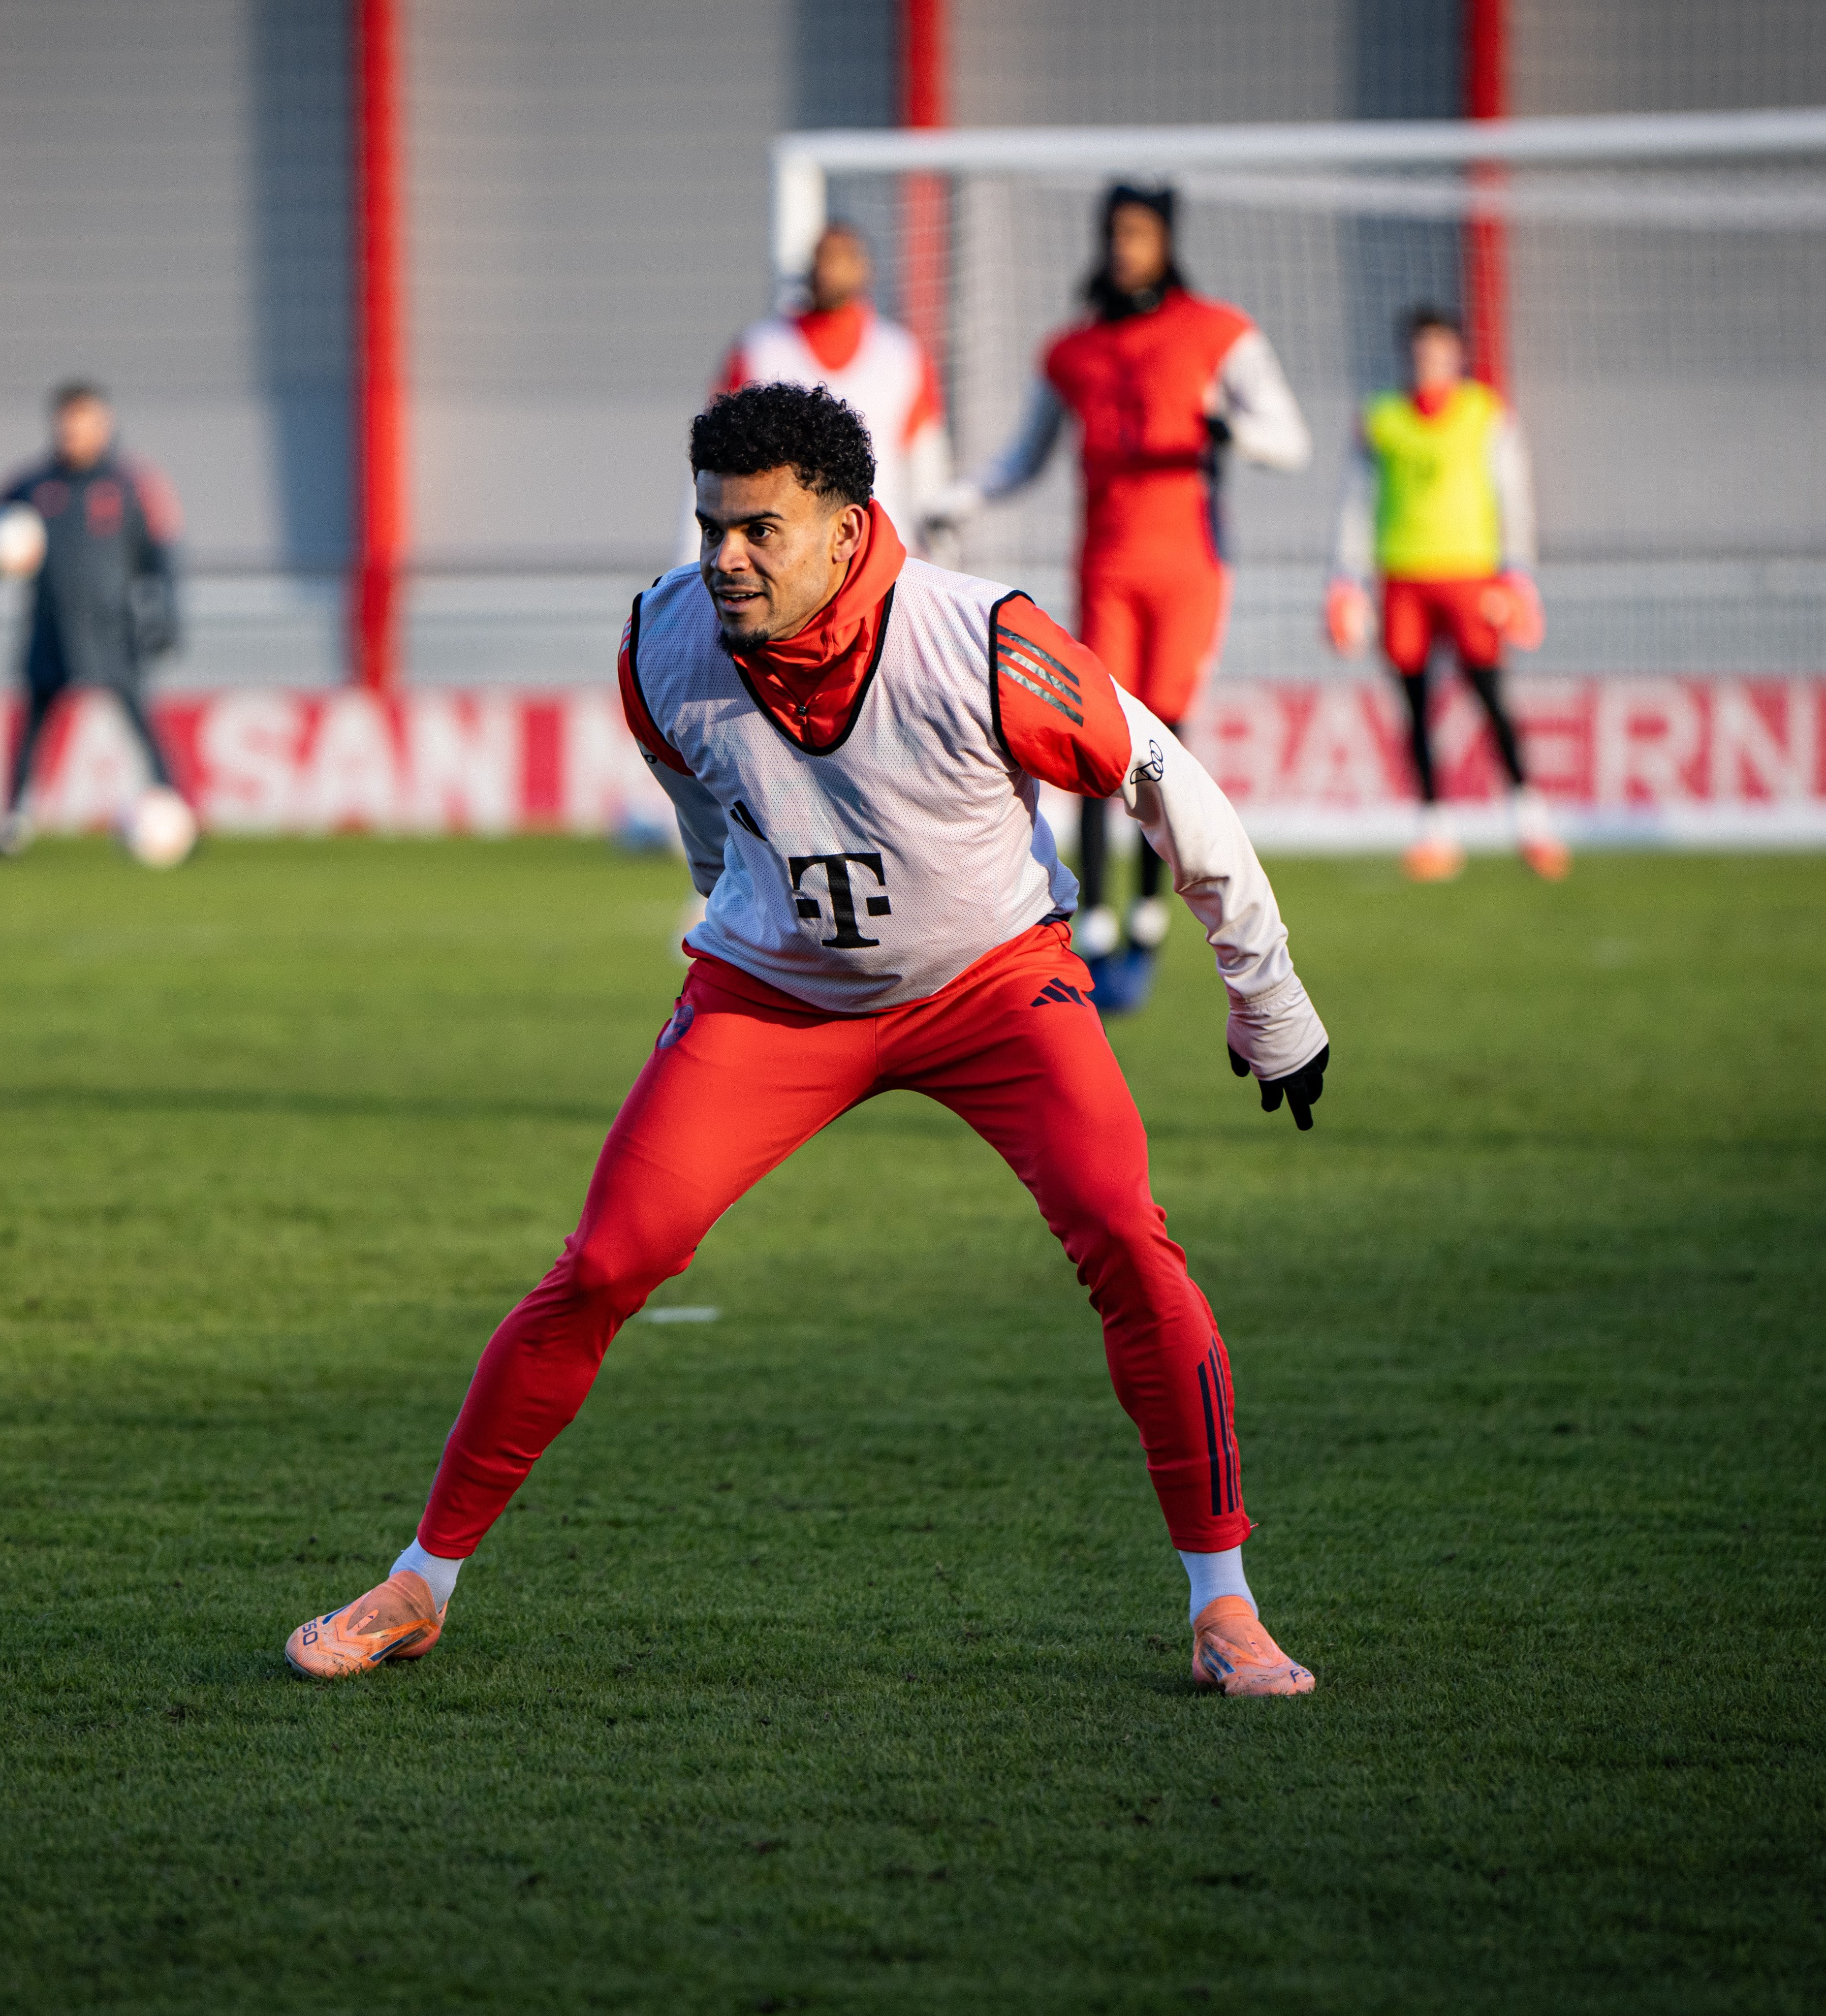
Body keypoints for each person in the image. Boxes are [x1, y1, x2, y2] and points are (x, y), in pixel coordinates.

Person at [286, 384, 1330, 1698]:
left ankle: (1224, 1605)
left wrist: (1268, 998)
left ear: (846, 531)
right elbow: (698, 799)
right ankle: (420, 1583)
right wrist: (737, 901)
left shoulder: (982, 637)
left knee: (1125, 1233)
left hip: (994, 987)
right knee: (607, 1262)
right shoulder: (662, 636)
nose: (725, 558)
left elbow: (1165, 778)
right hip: (773, 997)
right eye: (711, 527)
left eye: (758, 531)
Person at [937, 184, 1311, 1008]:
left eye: (1139, 233)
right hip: (1105, 567)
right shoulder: (1073, 351)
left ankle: (1146, 916)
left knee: (1163, 739)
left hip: (1189, 568)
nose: (1124, 248)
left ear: (1166, 241)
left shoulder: (1218, 333)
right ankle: (1099, 922)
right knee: (1099, 736)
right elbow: (1024, 457)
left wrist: (1227, 429)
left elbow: (1291, 440)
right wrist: (962, 498)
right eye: (1115, 233)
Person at [1323, 305, 1568, 882]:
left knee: (1489, 694)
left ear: (1458, 355)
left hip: (1470, 575)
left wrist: (1517, 573)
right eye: (1419, 352)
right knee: (1413, 706)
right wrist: (1345, 578)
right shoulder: (1381, 419)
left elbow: (1513, 494)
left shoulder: (1486, 414)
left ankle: (1530, 818)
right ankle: (1434, 830)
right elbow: (1356, 501)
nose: (1427, 362)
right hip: (1402, 576)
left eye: (1437, 351)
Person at [0, 381, 183, 857]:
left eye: (84, 425)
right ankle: (13, 822)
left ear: (104, 426)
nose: (75, 435)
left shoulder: (131, 485)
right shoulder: (33, 485)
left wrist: (167, 615)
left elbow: (163, 555)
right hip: (50, 628)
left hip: (114, 630)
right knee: (33, 729)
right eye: (68, 426)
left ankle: (175, 814)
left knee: (142, 725)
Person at [676, 221, 953, 563]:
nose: (828, 269)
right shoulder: (760, 349)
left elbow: (926, 464)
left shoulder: (901, 354)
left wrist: (939, 555)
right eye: (822, 258)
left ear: (864, 268)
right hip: (782, 558)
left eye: (841, 258)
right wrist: (691, 561)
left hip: (879, 552)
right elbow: (714, 461)